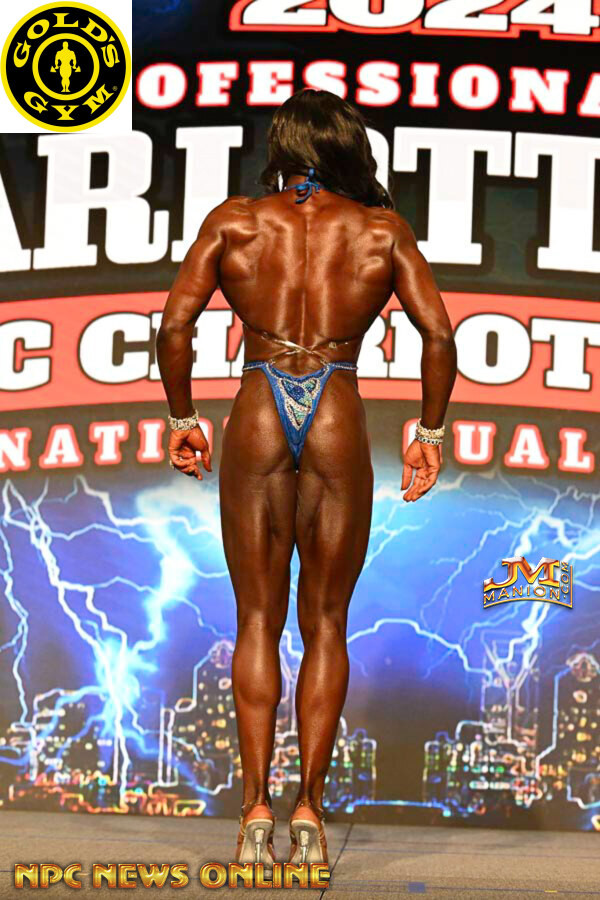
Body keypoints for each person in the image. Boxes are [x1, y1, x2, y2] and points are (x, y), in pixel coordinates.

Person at [156, 87, 457, 868]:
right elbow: (437, 333)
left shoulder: (236, 221)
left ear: (283, 148)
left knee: (256, 619)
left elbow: (176, 325)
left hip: (259, 403)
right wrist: (429, 431)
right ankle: (310, 815)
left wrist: (183, 417)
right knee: (326, 622)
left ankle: (255, 811)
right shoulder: (379, 230)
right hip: (335, 409)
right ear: (347, 149)